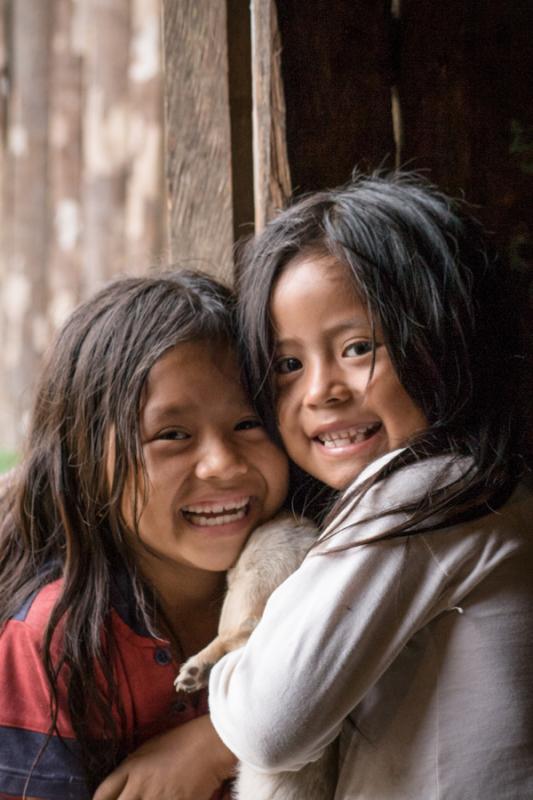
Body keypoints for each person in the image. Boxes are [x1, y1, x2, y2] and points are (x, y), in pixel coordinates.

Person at [207, 173, 533, 798]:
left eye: (358, 348)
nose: (322, 390)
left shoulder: (432, 493)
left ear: (443, 335)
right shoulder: (482, 486)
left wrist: (221, 684)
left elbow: (269, 727)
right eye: (288, 364)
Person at [0, 270, 289, 800]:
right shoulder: (55, 642)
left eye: (250, 424)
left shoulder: (314, 581)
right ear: (86, 460)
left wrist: (219, 740)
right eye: (172, 435)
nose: (223, 464)